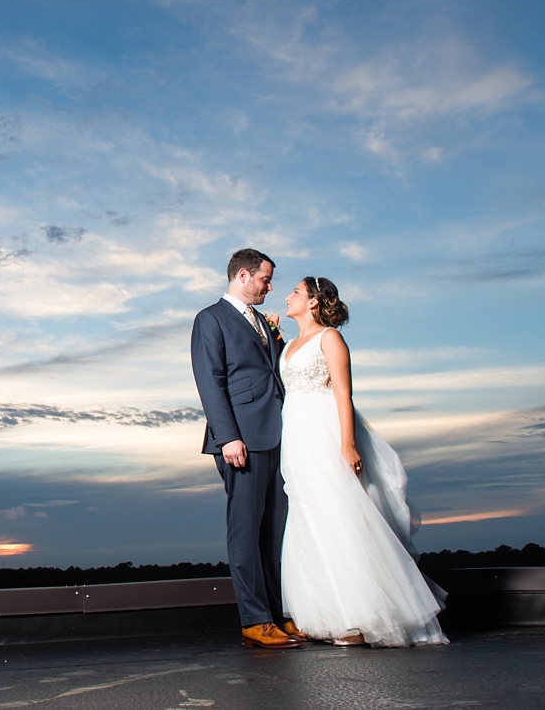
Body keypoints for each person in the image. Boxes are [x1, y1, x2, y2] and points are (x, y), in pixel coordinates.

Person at [278, 276, 448, 647]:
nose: (286, 296)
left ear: (313, 302)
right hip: (296, 438)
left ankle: (360, 619)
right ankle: (327, 613)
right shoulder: (288, 344)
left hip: (326, 433)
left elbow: (343, 392)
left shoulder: (330, 339)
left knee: (341, 514)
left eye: (295, 291)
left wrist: (348, 444)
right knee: (310, 518)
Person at [191, 249, 304, 649]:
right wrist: (229, 437)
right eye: (264, 279)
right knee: (245, 532)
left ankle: (276, 615)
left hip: (275, 435)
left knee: (273, 531)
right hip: (240, 440)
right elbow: (211, 381)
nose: (269, 287)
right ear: (243, 275)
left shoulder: (261, 322)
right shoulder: (210, 319)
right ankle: (254, 621)